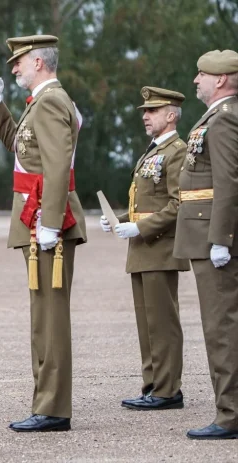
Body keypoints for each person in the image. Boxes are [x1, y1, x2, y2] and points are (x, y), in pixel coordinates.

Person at [0, 35, 87, 432]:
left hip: (45, 219)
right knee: (43, 317)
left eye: (19, 61)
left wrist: (52, 223)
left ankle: (54, 408)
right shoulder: (43, 102)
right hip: (37, 217)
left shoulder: (53, 100)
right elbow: (21, 147)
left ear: (39, 61)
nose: (14, 68)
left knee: (51, 318)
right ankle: (46, 401)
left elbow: (57, 167)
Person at [100, 87, 190, 411]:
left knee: (163, 322)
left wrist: (140, 227)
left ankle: (168, 390)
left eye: (152, 110)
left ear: (171, 114)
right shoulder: (152, 151)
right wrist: (119, 219)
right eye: (144, 111)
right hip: (142, 249)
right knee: (147, 323)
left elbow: (179, 203)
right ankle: (153, 385)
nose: (145, 116)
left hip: (161, 248)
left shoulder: (177, 151)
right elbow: (147, 202)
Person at [173, 49, 238, 440]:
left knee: (221, 328)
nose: (195, 80)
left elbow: (229, 182)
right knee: (222, 326)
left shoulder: (225, 118)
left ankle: (229, 415)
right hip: (205, 232)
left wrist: (221, 239)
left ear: (221, 80)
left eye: (201, 75)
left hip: (214, 237)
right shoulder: (218, 116)